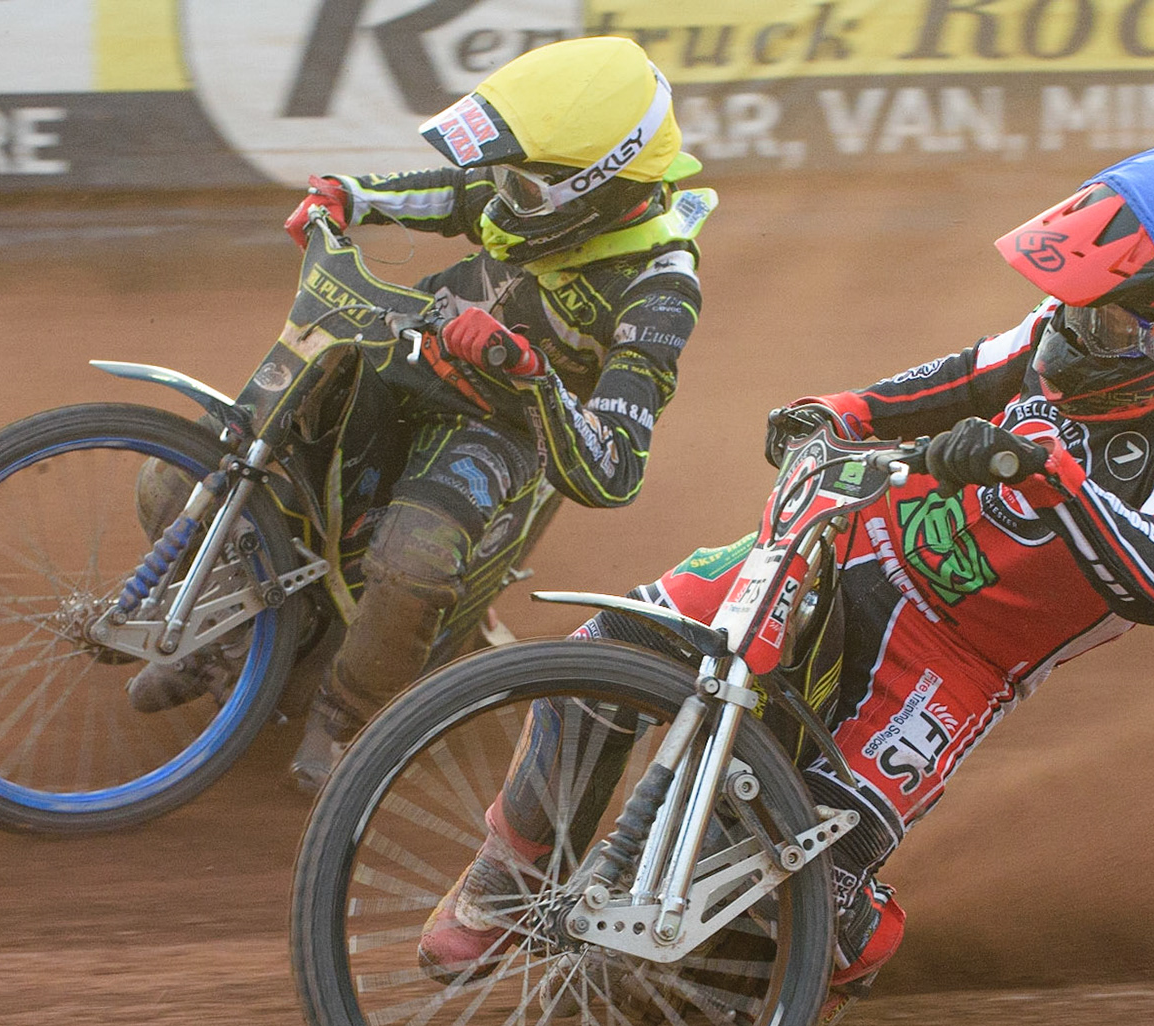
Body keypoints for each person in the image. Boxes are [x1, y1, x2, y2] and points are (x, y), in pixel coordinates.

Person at [414, 142, 1154, 1026]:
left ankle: (824, 974)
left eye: (1104, 318)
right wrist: (840, 413)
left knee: (801, 870)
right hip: (853, 539)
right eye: (1073, 298)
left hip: (953, 660)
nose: (1070, 325)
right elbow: (956, 378)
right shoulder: (1066, 324)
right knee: (604, 655)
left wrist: (1054, 475)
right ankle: (510, 869)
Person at [128, 36, 716, 791]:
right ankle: (229, 636)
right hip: (414, 344)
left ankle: (350, 717)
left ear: (598, 191)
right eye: (503, 179)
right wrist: (352, 194)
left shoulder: (660, 290)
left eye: (525, 192)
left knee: (415, 555)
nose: (504, 202)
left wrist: (531, 372)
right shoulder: (532, 195)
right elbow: (458, 195)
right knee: (196, 462)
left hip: (502, 425)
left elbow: (613, 467)